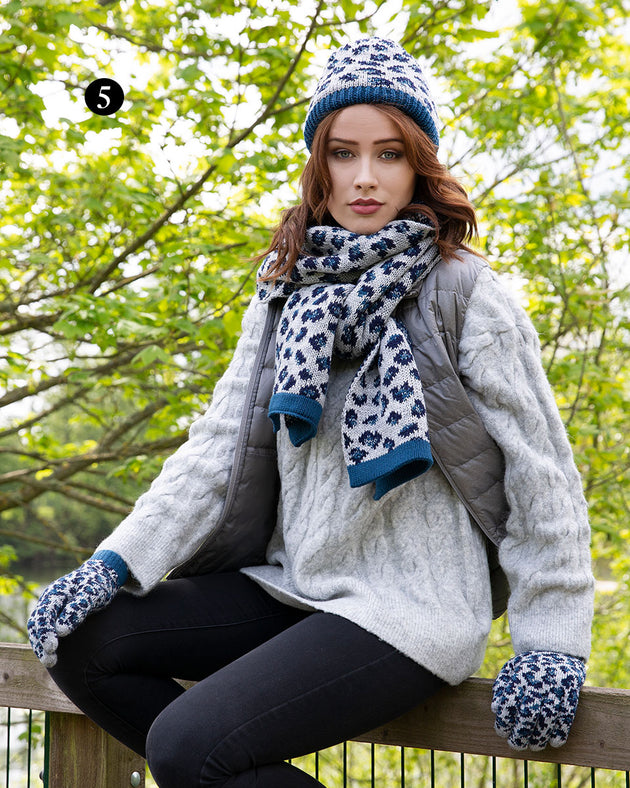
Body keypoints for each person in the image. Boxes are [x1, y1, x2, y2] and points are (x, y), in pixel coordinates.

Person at [27, 37, 594, 788]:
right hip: (293, 586)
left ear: (418, 163)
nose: (365, 178)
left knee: (188, 748)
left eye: (389, 154)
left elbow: (542, 477)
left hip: (411, 610)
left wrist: (551, 644)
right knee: (77, 642)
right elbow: (215, 447)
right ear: (317, 162)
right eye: (344, 153)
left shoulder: (465, 294)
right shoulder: (282, 292)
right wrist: (114, 562)